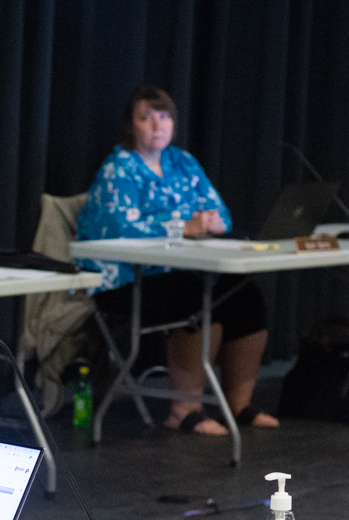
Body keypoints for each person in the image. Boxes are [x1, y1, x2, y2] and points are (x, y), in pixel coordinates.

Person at [76, 84, 279, 435]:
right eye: (146, 118)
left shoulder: (183, 162)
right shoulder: (118, 169)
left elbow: (222, 214)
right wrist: (183, 226)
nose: (157, 125)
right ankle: (184, 410)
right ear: (131, 126)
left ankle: (239, 405)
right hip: (125, 280)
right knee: (196, 298)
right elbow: (120, 228)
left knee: (245, 295)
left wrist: (214, 222)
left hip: (185, 271)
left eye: (164, 116)